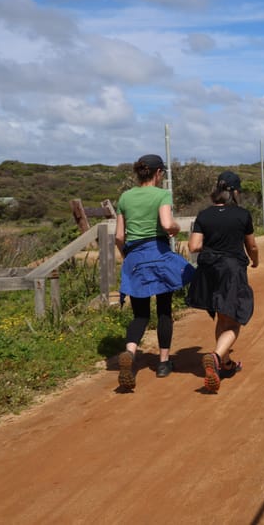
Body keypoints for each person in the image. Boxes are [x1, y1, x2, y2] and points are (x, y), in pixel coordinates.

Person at [115, 154, 194, 390]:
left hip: (135, 256)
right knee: (164, 311)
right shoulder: (162, 194)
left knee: (140, 315)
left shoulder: (125, 197)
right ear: (159, 173)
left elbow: (119, 236)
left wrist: (127, 256)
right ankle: (163, 363)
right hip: (158, 254)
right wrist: (177, 228)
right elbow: (167, 224)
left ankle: (130, 352)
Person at [187, 171, 259, 393]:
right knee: (235, 319)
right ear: (235, 192)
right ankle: (216, 357)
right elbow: (252, 246)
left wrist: (212, 242)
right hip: (231, 270)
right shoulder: (242, 215)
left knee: (222, 316)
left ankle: (226, 364)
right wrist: (255, 261)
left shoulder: (204, 215)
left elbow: (193, 246)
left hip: (209, 270)